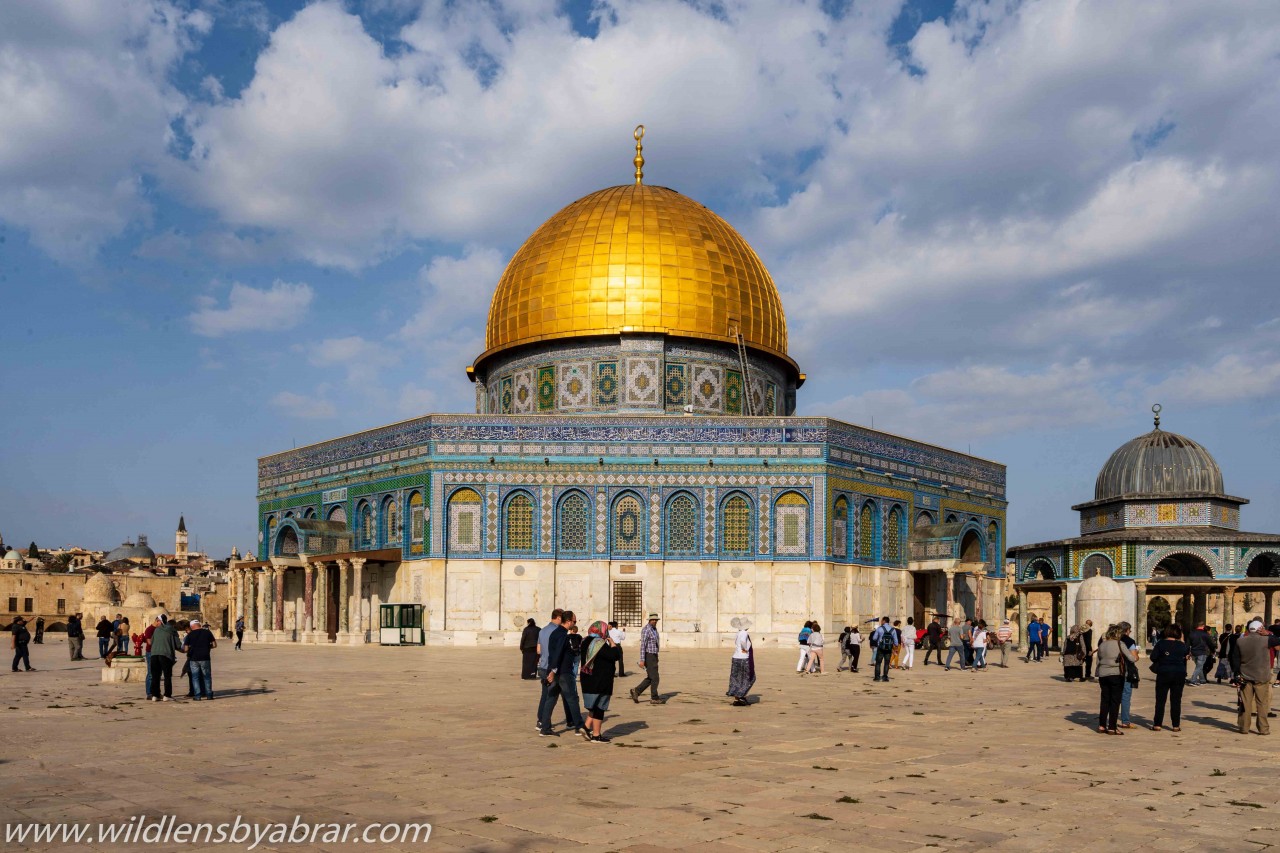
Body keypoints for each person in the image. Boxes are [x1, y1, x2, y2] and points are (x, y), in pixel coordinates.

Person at [1229, 620, 1280, 735]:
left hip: (1245, 676)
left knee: (1245, 703)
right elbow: (1278, 641)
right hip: (1262, 676)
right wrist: (1268, 633)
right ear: (1260, 628)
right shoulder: (1266, 639)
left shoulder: (1240, 641)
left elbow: (1235, 659)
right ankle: (1263, 729)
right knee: (1262, 703)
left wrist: (1236, 674)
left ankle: (1244, 727)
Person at [542, 610, 587, 738]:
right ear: (568, 621)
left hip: (556, 670)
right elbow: (558, 653)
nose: (575, 623)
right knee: (572, 699)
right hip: (562, 672)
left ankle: (545, 728)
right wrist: (554, 670)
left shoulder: (556, 633)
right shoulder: (562, 635)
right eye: (574, 621)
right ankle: (579, 726)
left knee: (551, 698)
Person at [579, 620, 622, 741]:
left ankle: (586, 727)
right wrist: (613, 643)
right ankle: (596, 736)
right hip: (600, 680)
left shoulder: (584, 641)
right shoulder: (599, 643)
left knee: (594, 706)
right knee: (599, 707)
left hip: (587, 679)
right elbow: (615, 656)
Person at [1094, 624, 1134, 735]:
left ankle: (1102, 726)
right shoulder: (1120, 644)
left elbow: (1098, 661)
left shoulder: (1102, 645)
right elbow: (1131, 658)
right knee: (1115, 701)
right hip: (1116, 674)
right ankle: (1112, 727)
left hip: (1103, 675)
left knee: (1105, 700)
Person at [1149, 625, 1190, 731]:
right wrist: (1182, 640)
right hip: (1179, 673)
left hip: (1164, 672)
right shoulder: (1182, 645)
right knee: (1176, 700)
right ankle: (1176, 725)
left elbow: (1153, 657)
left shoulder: (1160, 643)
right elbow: (1186, 655)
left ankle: (1157, 724)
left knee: (1160, 700)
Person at [535, 608, 564, 734]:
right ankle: (545, 725)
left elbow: (538, 650)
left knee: (544, 695)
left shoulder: (542, 631)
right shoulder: (558, 632)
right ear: (558, 618)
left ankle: (540, 721)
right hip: (551, 668)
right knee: (551, 697)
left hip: (542, 666)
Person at [630, 614, 665, 704]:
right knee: (655, 678)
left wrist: (656, 656)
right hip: (648, 655)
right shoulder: (646, 630)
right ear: (649, 620)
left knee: (651, 677)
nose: (655, 621)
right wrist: (642, 659)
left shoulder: (654, 629)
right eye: (653, 620)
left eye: (656, 620)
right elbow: (643, 646)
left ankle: (636, 691)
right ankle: (654, 698)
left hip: (653, 655)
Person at [183, 619, 217, 700]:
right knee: (207, 676)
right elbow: (215, 645)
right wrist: (207, 647)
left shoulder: (190, 635)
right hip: (205, 658)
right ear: (199, 625)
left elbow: (186, 649)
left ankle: (197, 696)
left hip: (193, 659)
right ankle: (209, 695)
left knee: (195, 677)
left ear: (191, 626)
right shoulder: (207, 632)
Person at [148, 615, 179, 702]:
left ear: (160, 621)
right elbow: (178, 645)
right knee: (167, 676)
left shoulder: (156, 630)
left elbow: (152, 642)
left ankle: (155, 695)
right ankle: (167, 695)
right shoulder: (172, 630)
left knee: (155, 676)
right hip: (166, 655)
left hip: (154, 655)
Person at [1117, 621, 1140, 729]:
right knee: (1125, 695)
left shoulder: (1112, 640)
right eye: (1129, 630)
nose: (1130, 632)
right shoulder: (1129, 641)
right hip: (1126, 670)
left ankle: (1108, 720)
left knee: (1113, 695)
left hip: (1112, 671)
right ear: (1126, 630)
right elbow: (1134, 658)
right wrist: (1137, 653)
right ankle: (1125, 721)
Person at [726, 626, 756, 706]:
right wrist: (744, 649)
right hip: (743, 658)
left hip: (735, 657)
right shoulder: (744, 633)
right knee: (750, 678)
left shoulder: (738, 633)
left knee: (737, 679)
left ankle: (737, 699)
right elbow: (743, 642)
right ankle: (741, 696)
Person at [871, 617, 897, 682]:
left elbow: (874, 638)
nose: (881, 622)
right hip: (889, 648)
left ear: (884, 621)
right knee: (886, 663)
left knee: (878, 663)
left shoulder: (879, 629)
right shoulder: (893, 629)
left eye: (882, 620)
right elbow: (896, 641)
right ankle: (885, 677)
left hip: (880, 648)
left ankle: (877, 677)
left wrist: (879, 639)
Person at [1188, 622, 1213, 686]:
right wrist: (1213, 650)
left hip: (1194, 652)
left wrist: (1187, 652)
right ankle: (1193, 680)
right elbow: (1210, 643)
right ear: (1203, 626)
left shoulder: (1192, 633)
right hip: (1201, 652)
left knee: (1199, 666)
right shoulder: (1204, 634)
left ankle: (1202, 680)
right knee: (1199, 667)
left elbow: (1188, 643)